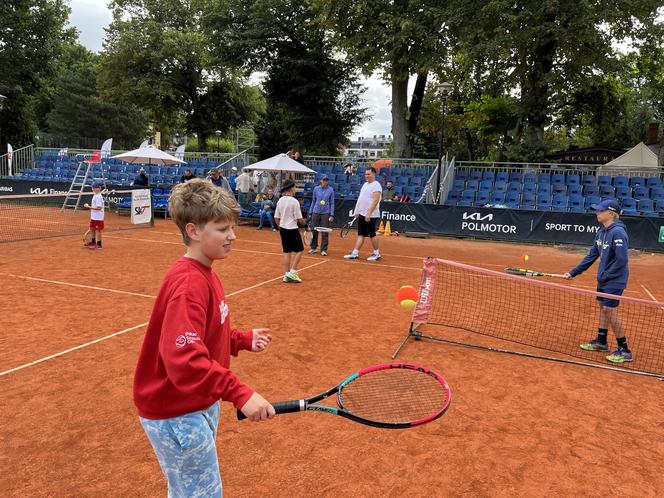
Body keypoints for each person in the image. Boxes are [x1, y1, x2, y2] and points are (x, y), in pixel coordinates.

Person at [133, 179, 275, 498]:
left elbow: (208, 333)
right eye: (223, 228)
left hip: (195, 404)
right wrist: (239, 392)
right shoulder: (188, 285)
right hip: (176, 410)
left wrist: (240, 340)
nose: (233, 236)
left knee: (187, 491)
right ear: (194, 231)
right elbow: (184, 360)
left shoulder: (206, 272)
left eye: (232, 228)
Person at [564, 199, 632, 363]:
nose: (597, 213)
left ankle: (624, 350)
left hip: (615, 279)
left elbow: (622, 260)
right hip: (604, 278)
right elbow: (592, 255)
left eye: (600, 210)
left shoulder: (618, 233)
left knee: (609, 310)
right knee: (603, 308)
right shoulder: (601, 232)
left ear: (610, 213)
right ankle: (601, 342)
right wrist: (574, 272)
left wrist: (606, 275)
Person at [344, 167, 382, 261]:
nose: (367, 176)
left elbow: (375, 200)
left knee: (372, 234)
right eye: (366, 174)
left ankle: (376, 253)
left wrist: (368, 213)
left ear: (374, 174)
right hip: (362, 213)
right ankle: (355, 253)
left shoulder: (376, 185)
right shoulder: (365, 184)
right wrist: (357, 212)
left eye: (368, 174)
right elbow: (361, 199)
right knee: (361, 234)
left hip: (371, 215)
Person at [274, 179, 306, 283]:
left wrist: (280, 227)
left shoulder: (280, 200)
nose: (295, 189)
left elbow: (276, 218)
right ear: (291, 188)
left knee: (287, 252)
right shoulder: (294, 201)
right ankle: (292, 271)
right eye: (295, 187)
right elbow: (299, 219)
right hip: (292, 229)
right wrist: (307, 225)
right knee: (300, 250)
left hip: (283, 229)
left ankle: (286, 274)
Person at [308, 175, 334, 256]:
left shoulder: (331, 190)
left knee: (324, 232)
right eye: (324, 180)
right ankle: (313, 248)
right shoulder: (316, 189)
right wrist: (310, 212)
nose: (325, 182)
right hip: (315, 212)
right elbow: (313, 200)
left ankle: (324, 250)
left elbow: (332, 203)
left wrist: (331, 215)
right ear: (321, 181)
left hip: (325, 213)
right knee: (314, 230)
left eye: (326, 180)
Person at [83, 181, 104, 250]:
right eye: (92, 187)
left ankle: (99, 244)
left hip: (98, 217)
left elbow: (99, 208)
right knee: (92, 229)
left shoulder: (98, 197)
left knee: (98, 230)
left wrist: (89, 207)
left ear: (99, 188)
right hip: (94, 217)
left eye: (94, 187)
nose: (93, 188)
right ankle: (93, 242)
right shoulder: (95, 195)